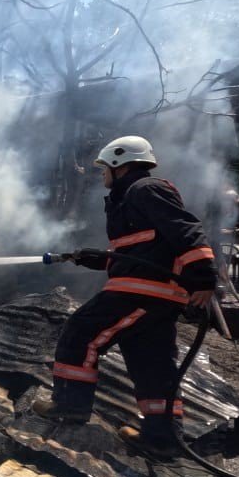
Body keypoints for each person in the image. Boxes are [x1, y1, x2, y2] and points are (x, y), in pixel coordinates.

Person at [32, 135, 217, 460]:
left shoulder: (146, 189)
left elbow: (186, 229)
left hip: (142, 290)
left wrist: (203, 275)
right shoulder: (128, 200)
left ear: (121, 163)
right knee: (152, 363)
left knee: (81, 333)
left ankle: (68, 406)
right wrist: (95, 258)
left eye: (104, 167)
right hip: (152, 291)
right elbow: (140, 252)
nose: (101, 174)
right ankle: (162, 438)